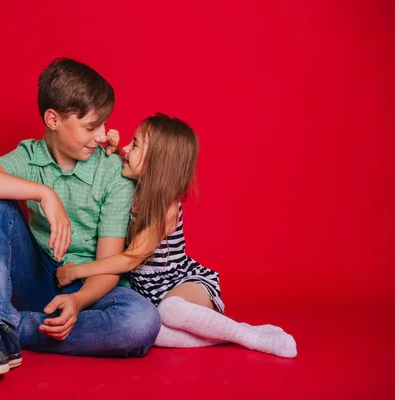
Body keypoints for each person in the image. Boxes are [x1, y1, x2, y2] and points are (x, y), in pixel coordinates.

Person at [0, 58, 161, 381]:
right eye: (91, 127)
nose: (102, 136)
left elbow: (108, 265)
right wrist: (44, 194)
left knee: (141, 322)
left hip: (89, 287)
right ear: (53, 119)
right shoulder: (29, 157)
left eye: (104, 124)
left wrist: (77, 301)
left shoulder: (113, 173)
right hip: (36, 278)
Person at [56, 113, 297, 358]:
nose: (128, 147)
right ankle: (217, 337)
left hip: (182, 283)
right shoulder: (130, 189)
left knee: (171, 311)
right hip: (149, 294)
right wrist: (115, 150)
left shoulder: (166, 208)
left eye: (136, 144)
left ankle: (248, 336)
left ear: (157, 163)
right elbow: (122, 168)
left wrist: (77, 271)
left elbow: (130, 259)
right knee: (152, 332)